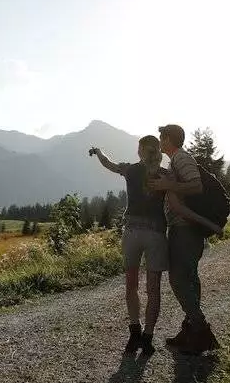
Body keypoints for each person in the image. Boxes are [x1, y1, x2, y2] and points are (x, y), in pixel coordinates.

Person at [90, 135, 168, 355]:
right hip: (156, 235)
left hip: (132, 233)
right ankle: (148, 338)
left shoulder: (131, 170)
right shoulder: (165, 175)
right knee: (154, 291)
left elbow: (108, 163)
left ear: (141, 150)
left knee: (131, 286)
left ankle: (134, 332)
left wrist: (98, 150)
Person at [149, 124, 219, 354]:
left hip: (186, 229)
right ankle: (190, 329)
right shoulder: (175, 160)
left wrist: (168, 184)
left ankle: (201, 330)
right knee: (189, 278)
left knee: (178, 280)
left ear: (168, 138)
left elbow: (196, 186)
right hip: (184, 229)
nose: (160, 140)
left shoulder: (182, 157)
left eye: (161, 136)